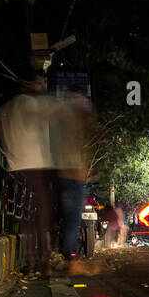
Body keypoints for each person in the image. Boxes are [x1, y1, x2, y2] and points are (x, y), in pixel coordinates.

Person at [0, 72, 56, 274]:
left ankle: (29, 261)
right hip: (37, 165)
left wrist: (9, 150)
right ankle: (45, 259)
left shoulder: (6, 109)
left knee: (25, 215)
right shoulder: (35, 105)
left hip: (15, 167)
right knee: (43, 214)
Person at [48, 86, 98, 269]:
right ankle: (72, 261)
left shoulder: (58, 116)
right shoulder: (78, 115)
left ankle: (56, 255)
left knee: (61, 217)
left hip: (59, 172)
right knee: (72, 219)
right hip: (73, 174)